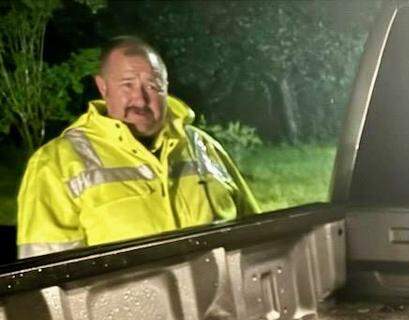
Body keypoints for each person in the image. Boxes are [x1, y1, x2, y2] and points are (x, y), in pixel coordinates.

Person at [16, 36, 259, 259]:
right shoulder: (55, 164)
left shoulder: (202, 146)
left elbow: (259, 239)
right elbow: (45, 278)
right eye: (127, 85)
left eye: (152, 86)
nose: (141, 99)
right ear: (103, 87)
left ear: (166, 87)